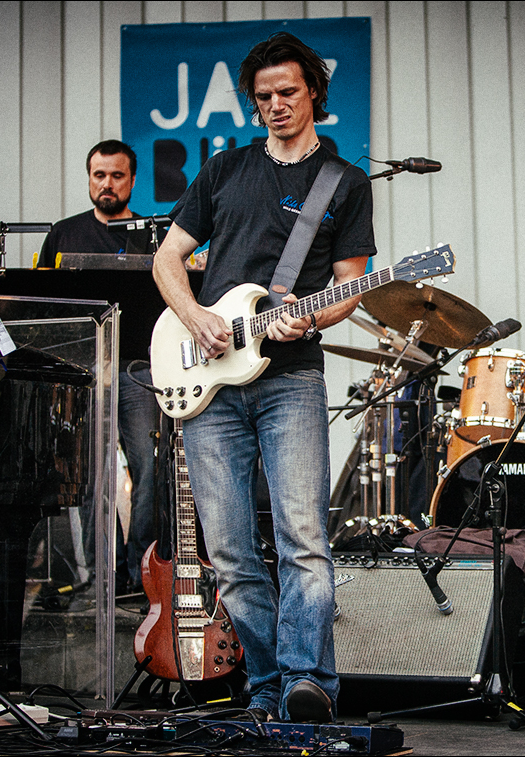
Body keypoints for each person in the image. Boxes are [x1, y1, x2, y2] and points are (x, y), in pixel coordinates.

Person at [152, 32, 375, 723]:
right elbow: (167, 260)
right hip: (210, 379)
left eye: (288, 93)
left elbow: (350, 286)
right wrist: (193, 317)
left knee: (302, 535)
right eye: (265, 97)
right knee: (229, 548)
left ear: (314, 94)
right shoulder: (223, 171)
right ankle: (268, 684)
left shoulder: (344, 181)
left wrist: (309, 321)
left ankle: (309, 681)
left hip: (291, 378)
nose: (276, 105)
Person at [38, 140, 165, 597]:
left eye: (116, 176)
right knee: (90, 474)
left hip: (140, 369)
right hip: (83, 372)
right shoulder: (62, 235)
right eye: (99, 175)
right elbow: (43, 310)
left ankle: (143, 574)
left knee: (150, 472)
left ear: (131, 180)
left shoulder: (155, 234)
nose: (106, 184)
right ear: (88, 178)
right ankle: (104, 577)